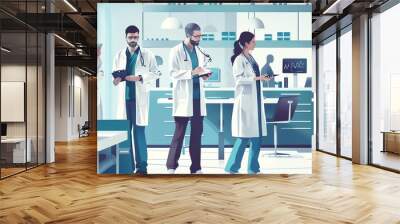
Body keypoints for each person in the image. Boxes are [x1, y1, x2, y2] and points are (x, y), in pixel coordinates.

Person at [112, 25, 161, 175]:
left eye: (135, 37)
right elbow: (115, 76)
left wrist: (140, 77)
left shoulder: (147, 54)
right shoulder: (119, 55)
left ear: (138, 37)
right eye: (130, 37)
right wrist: (116, 80)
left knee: (139, 133)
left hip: (139, 100)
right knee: (125, 134)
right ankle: (128, 165)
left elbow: (156, 73)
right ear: (125, 37)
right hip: (125, 99)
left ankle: (142, 167)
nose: (133, 40)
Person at [166, 23, 211, 174]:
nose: (199, 39)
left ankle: (196, 167)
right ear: (187, 35)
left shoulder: (201, 51)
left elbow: (201, 70)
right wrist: (191, 72)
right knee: (179, 134)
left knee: (197, 135)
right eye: (196, 36)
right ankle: (171, 166)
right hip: (184, 99)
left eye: (200, 36)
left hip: (198, 99)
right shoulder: (176, 51)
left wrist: (204, 74)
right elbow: (172, 73)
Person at [225, 31, 270, 174]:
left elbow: (254, 76)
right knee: (244, 137)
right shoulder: (239, 59)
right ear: (246, 43)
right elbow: (238, 80)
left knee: (257, 137)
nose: (255, 43)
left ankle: (253, 168)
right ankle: (232, 167)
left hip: (255, 100)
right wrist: (257, 79)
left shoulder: (250, 57)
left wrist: (261, 78)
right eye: (253, 41)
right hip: (246, 102)